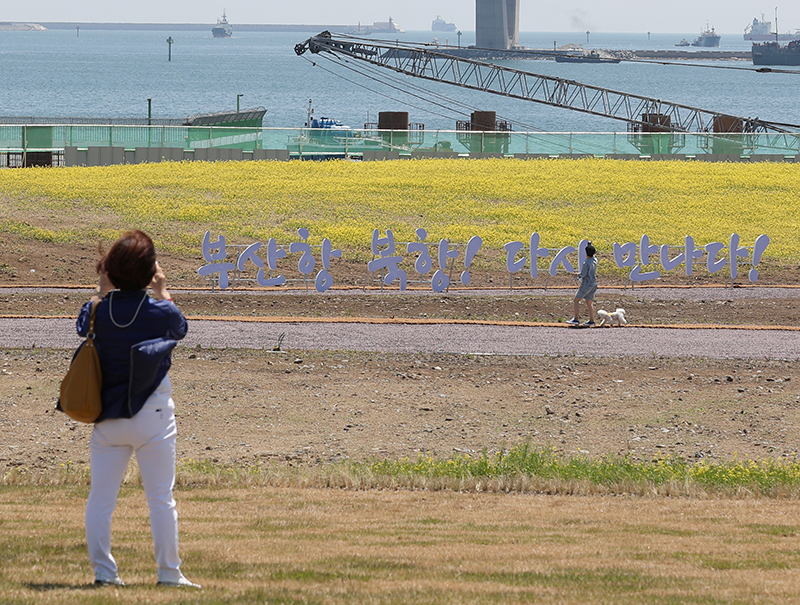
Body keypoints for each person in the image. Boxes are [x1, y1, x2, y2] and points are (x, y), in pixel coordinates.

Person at [75, 230, 199, 589]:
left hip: (108, 419)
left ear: (110, 270)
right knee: (161, 499)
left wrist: (102, 290)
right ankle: (169, 574)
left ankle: (104, 573)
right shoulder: (158, 310)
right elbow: (180, 328)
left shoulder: (98, 310)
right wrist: (162, 290)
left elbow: (84, 327)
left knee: (101, 500)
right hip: (153, 416)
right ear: (149, 271)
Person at [566, 242, 598, 327]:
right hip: (594, 284)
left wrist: (577, 275)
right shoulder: (595, 260)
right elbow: (592, 255)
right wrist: (589, 245)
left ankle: (576, 319)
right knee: (589, 302)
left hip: (586, 284)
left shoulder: (586, 263)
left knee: (576, 300)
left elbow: (583, 274)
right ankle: (592, 320)